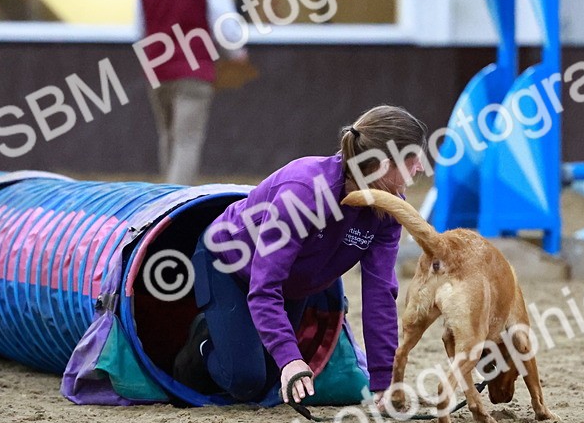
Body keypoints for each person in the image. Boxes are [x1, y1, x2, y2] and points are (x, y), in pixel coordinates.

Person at [173, 105, 428, 406]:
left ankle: (239, 344)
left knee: (272, 382)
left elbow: (380, 294)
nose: (421, 168)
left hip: (293, 284)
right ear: (384, 165)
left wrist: (383, 382)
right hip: (228, 262)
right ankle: (201, 342)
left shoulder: (388, 209)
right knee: (246, 382)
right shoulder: (304, 192)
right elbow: (264, 287)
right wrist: (290, 358)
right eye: (414, 160)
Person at [136, 0, 248, 186]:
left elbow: (139, 30)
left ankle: (164, 196)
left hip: (158, 71)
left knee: (167, 135)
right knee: (187, 140)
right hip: (194, 70)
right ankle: (177, 202)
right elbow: (225, 20)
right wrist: (236, 51)